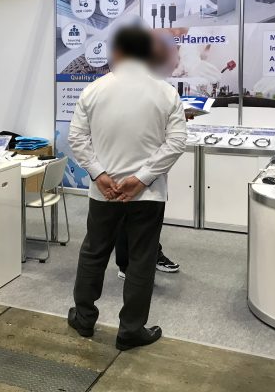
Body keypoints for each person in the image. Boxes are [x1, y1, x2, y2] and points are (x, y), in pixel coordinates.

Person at [67, 26, 187, 351]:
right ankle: (131, 330)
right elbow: (177, 142)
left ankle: (84, 318)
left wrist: (98, 174)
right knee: (141, 259)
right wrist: (142, 177)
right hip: (147, 195)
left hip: (103, 192)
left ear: (117, 52)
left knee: (94, 253)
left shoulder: (93, 91)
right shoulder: (166, 93)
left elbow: (76, 138)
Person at [116, 32, 182, 279]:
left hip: (149, 170)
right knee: (124, 221)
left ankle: (148, 258)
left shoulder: (161, 89)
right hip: (121, 168)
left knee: (145, 225)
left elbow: (171, 138)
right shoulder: (111, 88)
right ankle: (128, 267)